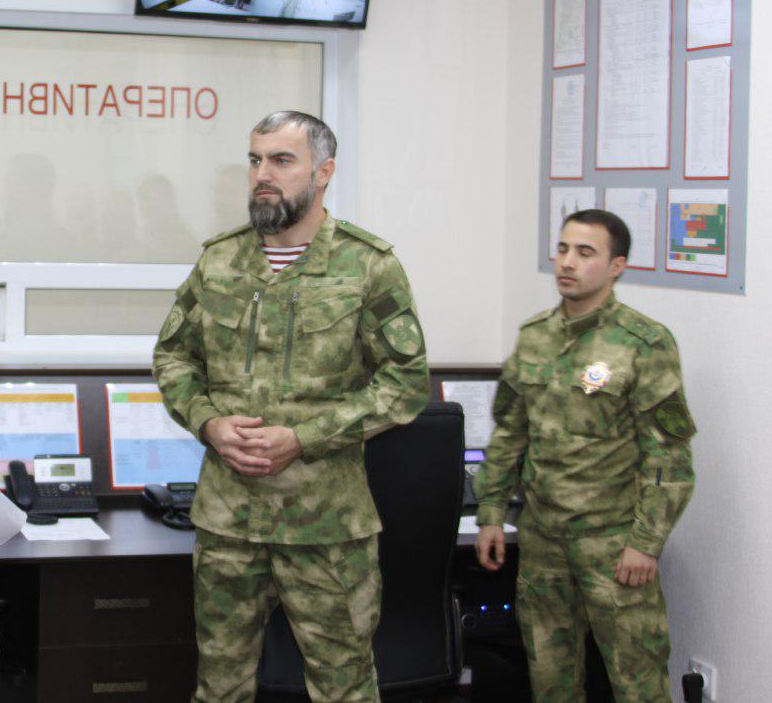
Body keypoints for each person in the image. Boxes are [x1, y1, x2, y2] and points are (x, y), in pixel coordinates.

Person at [153, 110, 430, 702]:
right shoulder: (219, 260)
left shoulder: (368, 265)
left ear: (323, 173)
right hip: (229, 520)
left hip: (324, 527)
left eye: (282, 161)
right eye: (255, 160)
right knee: (219, 685)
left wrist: (304, 438)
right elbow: (173, 357)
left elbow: (406, 383)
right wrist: (208, 423)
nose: (263, 175)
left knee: (343, 686)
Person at [474, 210, 695, 701]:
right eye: (563, 249)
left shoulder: (644, 343)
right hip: (543, 542)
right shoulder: (535, 336)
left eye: (585, 252)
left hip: (614, 546)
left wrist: (646, 542)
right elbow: (510, 433)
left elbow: (669, 455)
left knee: (638, 682)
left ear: (617, 266)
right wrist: (491, 513)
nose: (567, 262)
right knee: (550, 682)